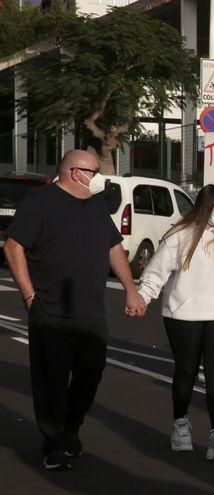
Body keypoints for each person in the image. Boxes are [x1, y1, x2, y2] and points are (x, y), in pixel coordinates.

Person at [3, 150, 146, 471]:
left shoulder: (95, 205)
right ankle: (53, 442)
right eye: (94, 171)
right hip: (51, 309)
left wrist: (131, 289)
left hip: (90, 311)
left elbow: (114, 248)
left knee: (90, 374)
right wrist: (28, 296)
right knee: (51, 380)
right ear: (74, 173)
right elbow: (13, 246)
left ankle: (70, 428)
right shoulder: (41, 201)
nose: (100, 178)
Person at [137, 184, 214, 462]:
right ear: (205, 208)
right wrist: (142, 297)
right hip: (183, 316)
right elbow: (156, 272)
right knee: (186, 371)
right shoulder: (180, 235)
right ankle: (180, 425)